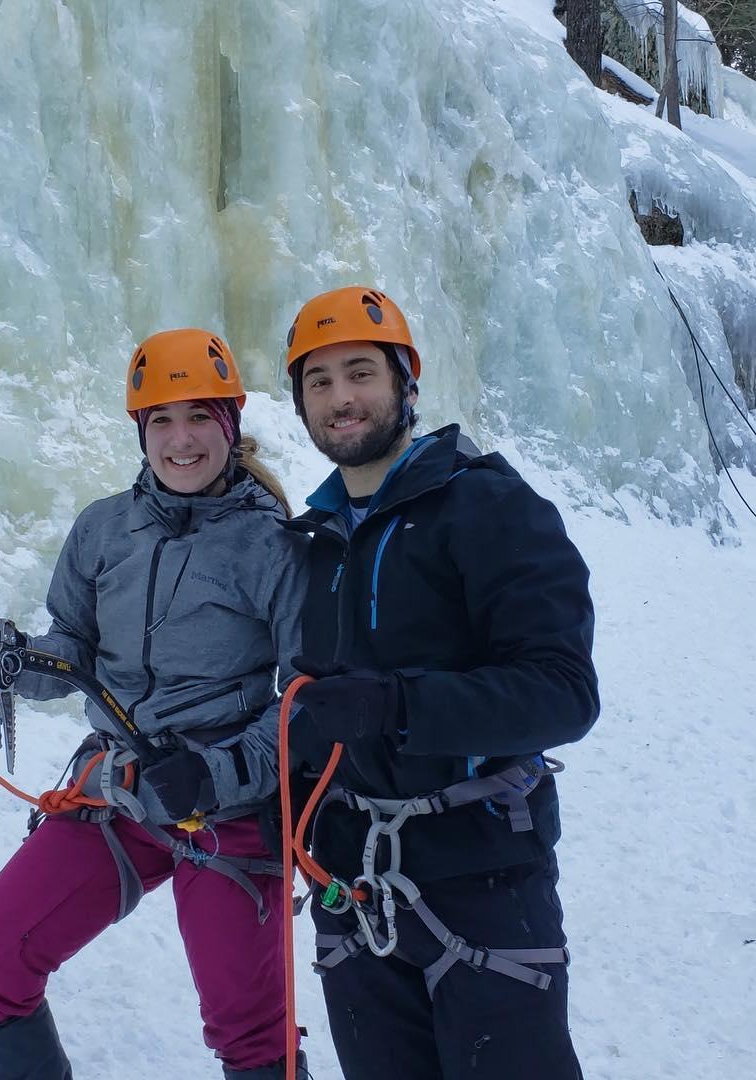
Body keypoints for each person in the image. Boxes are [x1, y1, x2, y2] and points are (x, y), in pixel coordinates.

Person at [0, 328, 310, 1080]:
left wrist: (214, 774)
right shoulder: (103, 528)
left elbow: (307, 700)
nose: (181, 439)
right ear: (140, 431)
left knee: (251, 1036)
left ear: (230, 424)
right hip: (117, 791)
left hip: (227, 811)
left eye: (199, 417)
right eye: (161, 421)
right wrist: (14, 661)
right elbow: (73, 650)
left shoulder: (274, 546)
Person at [282, 286, 599, 1080]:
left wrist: (400, 706)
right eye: (318, 383)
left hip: (483, 873)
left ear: (405, 385)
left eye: (360, 373)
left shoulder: (489, 507)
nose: (341, 398)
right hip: (351, 884)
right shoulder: (315, 540)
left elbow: (562, 690)